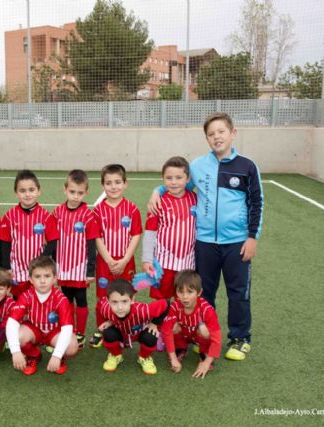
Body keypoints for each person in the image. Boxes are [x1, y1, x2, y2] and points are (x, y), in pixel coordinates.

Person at [149, 112, 263, 361]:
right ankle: (202, 336)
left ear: (232, 133)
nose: (216, 137)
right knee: (205, 292)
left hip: (236, 242)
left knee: (238, 292)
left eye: (221, 131)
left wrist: (252, 237)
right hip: (204, 243)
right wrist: (157, 190)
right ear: (207, 139)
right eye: (211, 134)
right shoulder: (199, 166)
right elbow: (180, 184)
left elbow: (256, 202)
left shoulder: (247, 166)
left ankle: (239, 338)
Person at [90, 164, 142, 348]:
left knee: (127, 294)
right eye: (109, 183)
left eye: (118, 182)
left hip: (126, 261)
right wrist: (110, 260)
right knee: (103, 296)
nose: (113, 187)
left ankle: (127, 328)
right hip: (105, 262)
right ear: (102, 185)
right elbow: (96, 236)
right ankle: (103, 328)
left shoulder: (132, 208)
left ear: (125, 184)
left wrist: (126, 259)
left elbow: (136, 234)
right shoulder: (97, 210)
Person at [6, 256, 79, 375]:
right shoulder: (25, 296)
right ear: (30, 279)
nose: (42, 281)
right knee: (17, 335)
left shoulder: (61, 299)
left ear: (55, 278)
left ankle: (59, 359)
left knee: (72, 346)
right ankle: (33, 354)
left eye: (47, 276)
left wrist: (57, 355)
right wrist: (15, 351)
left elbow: (67, 329)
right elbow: (11, 323)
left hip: (54, 333)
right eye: (37, 276)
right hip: (34, 331)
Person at [52, 169, 98, 349]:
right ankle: (67, 329)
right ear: (65, 190)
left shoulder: (87, 215)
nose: (75, 196)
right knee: (65, 299)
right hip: (62, 266)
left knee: (81, 299)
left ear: (86, 193)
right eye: (72, 192)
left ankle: (80, 333)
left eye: (80, 193)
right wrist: (54, 265)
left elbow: (92, 244)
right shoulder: (57, 212)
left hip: (80, 267)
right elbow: (53, 239)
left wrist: (90, 270)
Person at [141, 156, 197, 301]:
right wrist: (147, 259)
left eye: (179, 177)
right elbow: (150, 233)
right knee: (161, 299)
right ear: (163, 178)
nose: (173, 182)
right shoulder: (157, 202)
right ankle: (158, 323)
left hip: (187, 262)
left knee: (184, 297)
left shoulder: (195, 199)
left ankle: (181, 323)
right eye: (169, 178)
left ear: (188, 178)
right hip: (163, 262)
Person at [0, 170, 59, 298]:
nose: (27, 194)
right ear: (16, 193)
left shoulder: (46, 216)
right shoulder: (9, 216)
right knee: (18, 301)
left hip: (38, 270)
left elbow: (53, 241)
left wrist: (42, 260)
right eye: (23, 191)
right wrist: (6, 267)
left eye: (31, 190)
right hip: (16, 269)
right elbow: (4, 243)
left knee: (39, 299)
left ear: (38, 191)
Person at [96, 279, 168, 375]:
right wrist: (106, 321)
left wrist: (154, 324)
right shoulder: (106, 308)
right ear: (108, 301)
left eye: (124, 301)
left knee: (151, 336)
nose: (120, 307)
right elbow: (99, 306)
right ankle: (116, 355)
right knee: (108, 332)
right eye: (114, 302)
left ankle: (144, 357)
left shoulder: (142, 310)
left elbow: (166, 304)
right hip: (120, 331)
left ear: (132, 300)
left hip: (139, 332)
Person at [161, 270, 222, 379]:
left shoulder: (207, 309)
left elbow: (217, 339)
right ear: (176, 292)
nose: (185, 297)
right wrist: (173, 359)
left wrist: (207, 363)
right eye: (181, 291)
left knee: (204, 330)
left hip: (199, 336)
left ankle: (204, 353)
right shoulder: (174, 306)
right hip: (183, 333)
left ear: (199, 292)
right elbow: (166, 331)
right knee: (172, 327)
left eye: (190, 292)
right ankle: (180, 347)